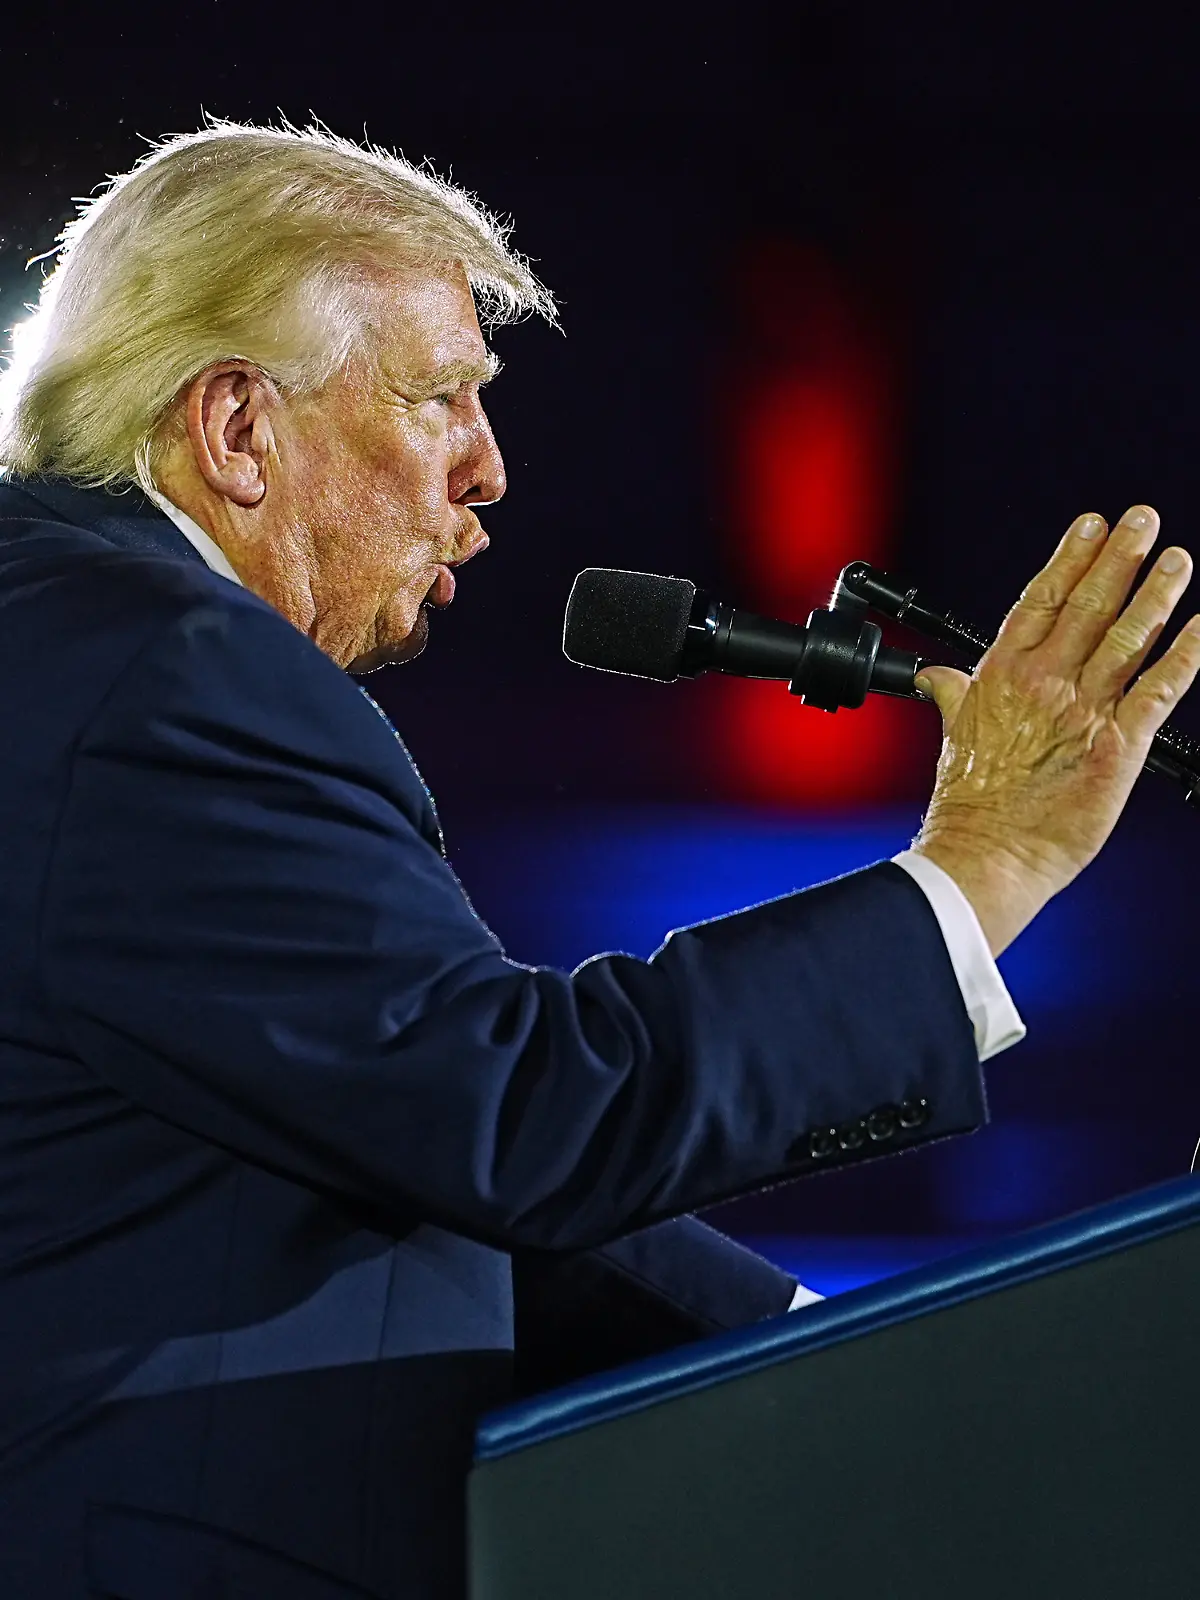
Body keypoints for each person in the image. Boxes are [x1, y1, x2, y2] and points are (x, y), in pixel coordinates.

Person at [0, 122, 1194, 1600]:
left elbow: (430, 1162)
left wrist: (858, 1343)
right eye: (441, 399)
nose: (490, 469)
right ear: (239, 427)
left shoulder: (76, 646)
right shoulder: (161, 673)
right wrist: (981, 863)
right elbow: (522, 1113)